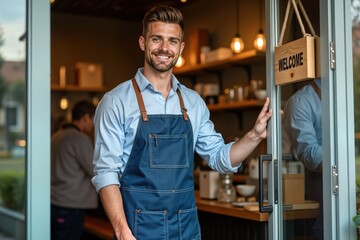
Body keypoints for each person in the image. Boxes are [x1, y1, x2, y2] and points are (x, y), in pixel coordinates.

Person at [92, 6, 272, 240]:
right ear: (142, 42)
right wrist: (122, 231)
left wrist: (255, 135)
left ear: (180, 47)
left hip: (186, 228)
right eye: (156, 39)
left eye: (172, 41)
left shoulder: (193, 102)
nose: (165, 48)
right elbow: (106, 173)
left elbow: (220, 158)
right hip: (137, 230)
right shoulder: (116, 102)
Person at [51, 100, 98, 240]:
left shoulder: (56, 136)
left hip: (54, 202)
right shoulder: (79, 139)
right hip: (70, 206)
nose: (94, 124)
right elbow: (96, 170)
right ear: (85, 117)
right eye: (93, 119)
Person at [282, 79, 323, 240]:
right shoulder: (300, 101)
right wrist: (345, 159)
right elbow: (311, 155)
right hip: (320, 183)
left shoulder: (348, 90)